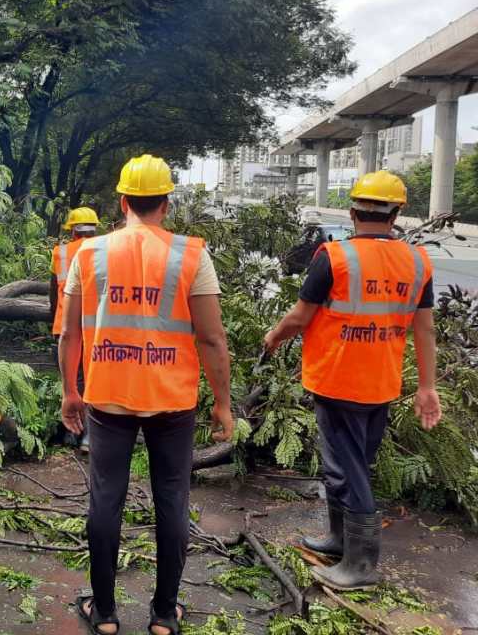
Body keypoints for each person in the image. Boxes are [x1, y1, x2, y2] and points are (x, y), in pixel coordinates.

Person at [58, 154, 234, 635]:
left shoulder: (88, 255)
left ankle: (107, 613)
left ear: (122, 201)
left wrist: (70, 392)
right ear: (167, 203)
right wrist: (222, 403)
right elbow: (213, 339)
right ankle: (163, 615)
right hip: (173, 402)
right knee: (172, 500)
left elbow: (69, 335)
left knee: (105, 500)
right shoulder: (191, 255)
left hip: (108, 398)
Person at [264, 170, 442, 590]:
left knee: (347, 470)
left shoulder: (334, 256)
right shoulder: (418, 261)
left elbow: (300, 317)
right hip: (380, 381)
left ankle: (360, 565)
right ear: (397, 213)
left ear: (352, 211)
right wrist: (427, 387)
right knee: (350, 465)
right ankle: (339, 539)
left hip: (337, 378)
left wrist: (273, 335)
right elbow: (425, 330)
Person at [50, 207, 101, 452]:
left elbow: (53, 292)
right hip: (94, 326)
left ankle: (71, 435)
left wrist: (53, 319)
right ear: (95, 229)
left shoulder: (60, 252)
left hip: (65, 325)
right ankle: (89, 437)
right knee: (92, 379)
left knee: (70, 382)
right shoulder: (104, 252)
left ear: (72, 231)